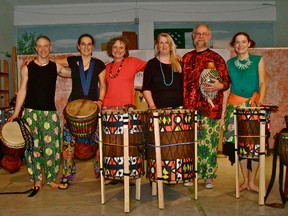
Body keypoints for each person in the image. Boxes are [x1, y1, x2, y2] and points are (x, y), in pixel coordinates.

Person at [8, 35, 71, 191]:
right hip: (30, 113)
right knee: (32, 148)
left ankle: (51, 179)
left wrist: (88, 63)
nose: (43, 49)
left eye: (46, 46)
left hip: (50, 113)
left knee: (53, 147)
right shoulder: (26, 68)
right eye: (40, 46)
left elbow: (74, 71)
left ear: (50, 48)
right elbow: (22, 90)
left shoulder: (55, 67)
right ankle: (36, 179)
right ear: (35, 48)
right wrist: (16, 113)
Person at [54, 33, 106, 189]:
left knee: (100, 144)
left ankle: (102, 174)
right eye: (83, 44)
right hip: (73, 109)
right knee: (68, 145)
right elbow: (53, 62)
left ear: (93, 47)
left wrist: (100, 101)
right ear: (78, 46)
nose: (86, 46)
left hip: (93, 109)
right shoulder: (72, 60)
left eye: (89, 44)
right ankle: (67, 176)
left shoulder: (99, 64)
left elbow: (103, 85)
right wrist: (36, 61)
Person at [182, 23, 230, 189]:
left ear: (209, 37)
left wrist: (220, 86)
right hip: (189, 109)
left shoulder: (217, 59)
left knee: (209, 143)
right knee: (190, 143)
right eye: (198, 33)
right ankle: (191, 174)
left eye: (204, 34)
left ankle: (208, 176)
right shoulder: (186, 58)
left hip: (210, 108)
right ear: (193, 36)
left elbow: (226, 81)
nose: (200, 36)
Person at [223, 32, 266, 192]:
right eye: (237, 42)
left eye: (243, 42)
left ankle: (253, 181)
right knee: (238, 145)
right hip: (233, 107)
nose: (240, 45)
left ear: (249, 44)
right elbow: (224, 83)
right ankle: (245, 180)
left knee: (254, 145)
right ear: (234, 46)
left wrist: (259, 102)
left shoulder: (258, 60)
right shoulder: (229, 63)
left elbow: (263, 83)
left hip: (253, 107)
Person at [103, 36, 146, 108]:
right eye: (115, 47)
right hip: (108, 108)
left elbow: (152, 68)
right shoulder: (106, 67)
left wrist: (145, 87)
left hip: (128, 107)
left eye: (121, 47)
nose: (118, 50)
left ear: (125, 50)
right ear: (110, 49)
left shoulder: (133, 62)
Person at [142, 32, 183, 109]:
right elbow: (146, 88)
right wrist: (152, 106)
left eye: (166, 42)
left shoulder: (180, 64)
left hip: (179, 109)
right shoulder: (151, 64)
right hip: (158, 109)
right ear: (157, 46)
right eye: (161, 43)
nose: (164, 45)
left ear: (170, 45)